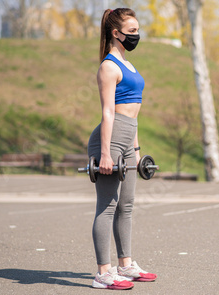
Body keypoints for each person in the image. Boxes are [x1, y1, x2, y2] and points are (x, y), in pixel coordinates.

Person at [87, 8, 157, 290]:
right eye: (131, 32)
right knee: (107, 207)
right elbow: (108, 113)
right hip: (110, 139)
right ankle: (103, 273)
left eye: (138, 31)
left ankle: (125, 266)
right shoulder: (108, 66)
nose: (136, 36)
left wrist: (137, 150)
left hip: (128, 139)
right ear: (115, 33)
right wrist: (105, 154)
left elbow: (134, 114)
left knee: (126, 206)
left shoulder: (128, 64)